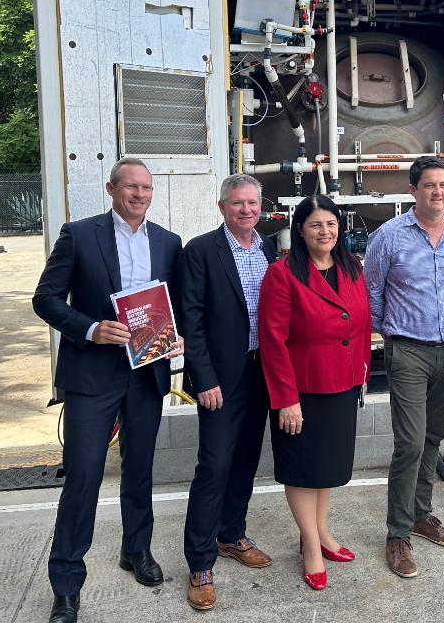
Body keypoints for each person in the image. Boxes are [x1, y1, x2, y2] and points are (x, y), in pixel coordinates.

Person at [32, 157, 184, 623]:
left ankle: (136, 550)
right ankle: (66, 585)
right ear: (111, 188)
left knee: (139, 471)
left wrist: (175, 338)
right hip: (92, 376)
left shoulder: (167, 242)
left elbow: (172, 303)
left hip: (147, 374)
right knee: (83, 478)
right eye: (131, 187)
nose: (139, 194)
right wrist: (92, 327)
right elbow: (46, 299)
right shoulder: (80, 235)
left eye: (146, 188)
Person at [364, 156, 444, 578]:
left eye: (443, 185)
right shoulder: (388, 237)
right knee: (409, 442)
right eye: (429, 185)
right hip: (407, 350)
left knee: (432, 437)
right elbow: (372, 290)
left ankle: (420, 513)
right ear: (413, 191)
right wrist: (385, 337)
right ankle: (397, 534)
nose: (437, 192)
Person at [257, 195, 371, 591]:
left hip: (342, 384)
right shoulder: (282, 274)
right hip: (302, 390)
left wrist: (361, 372)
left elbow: (359, 324)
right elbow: (273, 340)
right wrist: (286, 398)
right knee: (303, 469)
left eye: (331, 224)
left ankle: (322, 532)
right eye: (315, 225)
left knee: (326, 467)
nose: (325, 232)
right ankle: (309, 545)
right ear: (300, 231)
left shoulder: (351, 267)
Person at [176, 174, 277, 612]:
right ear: (222, 207)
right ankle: (200, 562)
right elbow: (190, 321)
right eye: (237, 203)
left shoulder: (269, 248)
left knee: (245, 461)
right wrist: (205, 379)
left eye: (252, 203)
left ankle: (231, 534)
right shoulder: (200, 251)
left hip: (261, 373)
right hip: (221, 378)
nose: (245, 210)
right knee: (214, 465)